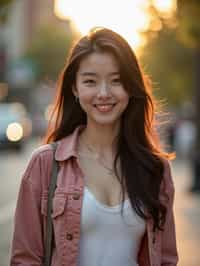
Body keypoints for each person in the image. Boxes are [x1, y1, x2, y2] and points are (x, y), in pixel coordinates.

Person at [10, 27, 178, 266]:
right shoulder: (45, 164)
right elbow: (24, 260)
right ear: (75, 88)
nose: (103, 93)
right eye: (90, 81)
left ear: (131, 87)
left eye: (116, 81)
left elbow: (166, 259)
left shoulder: (156, 169)